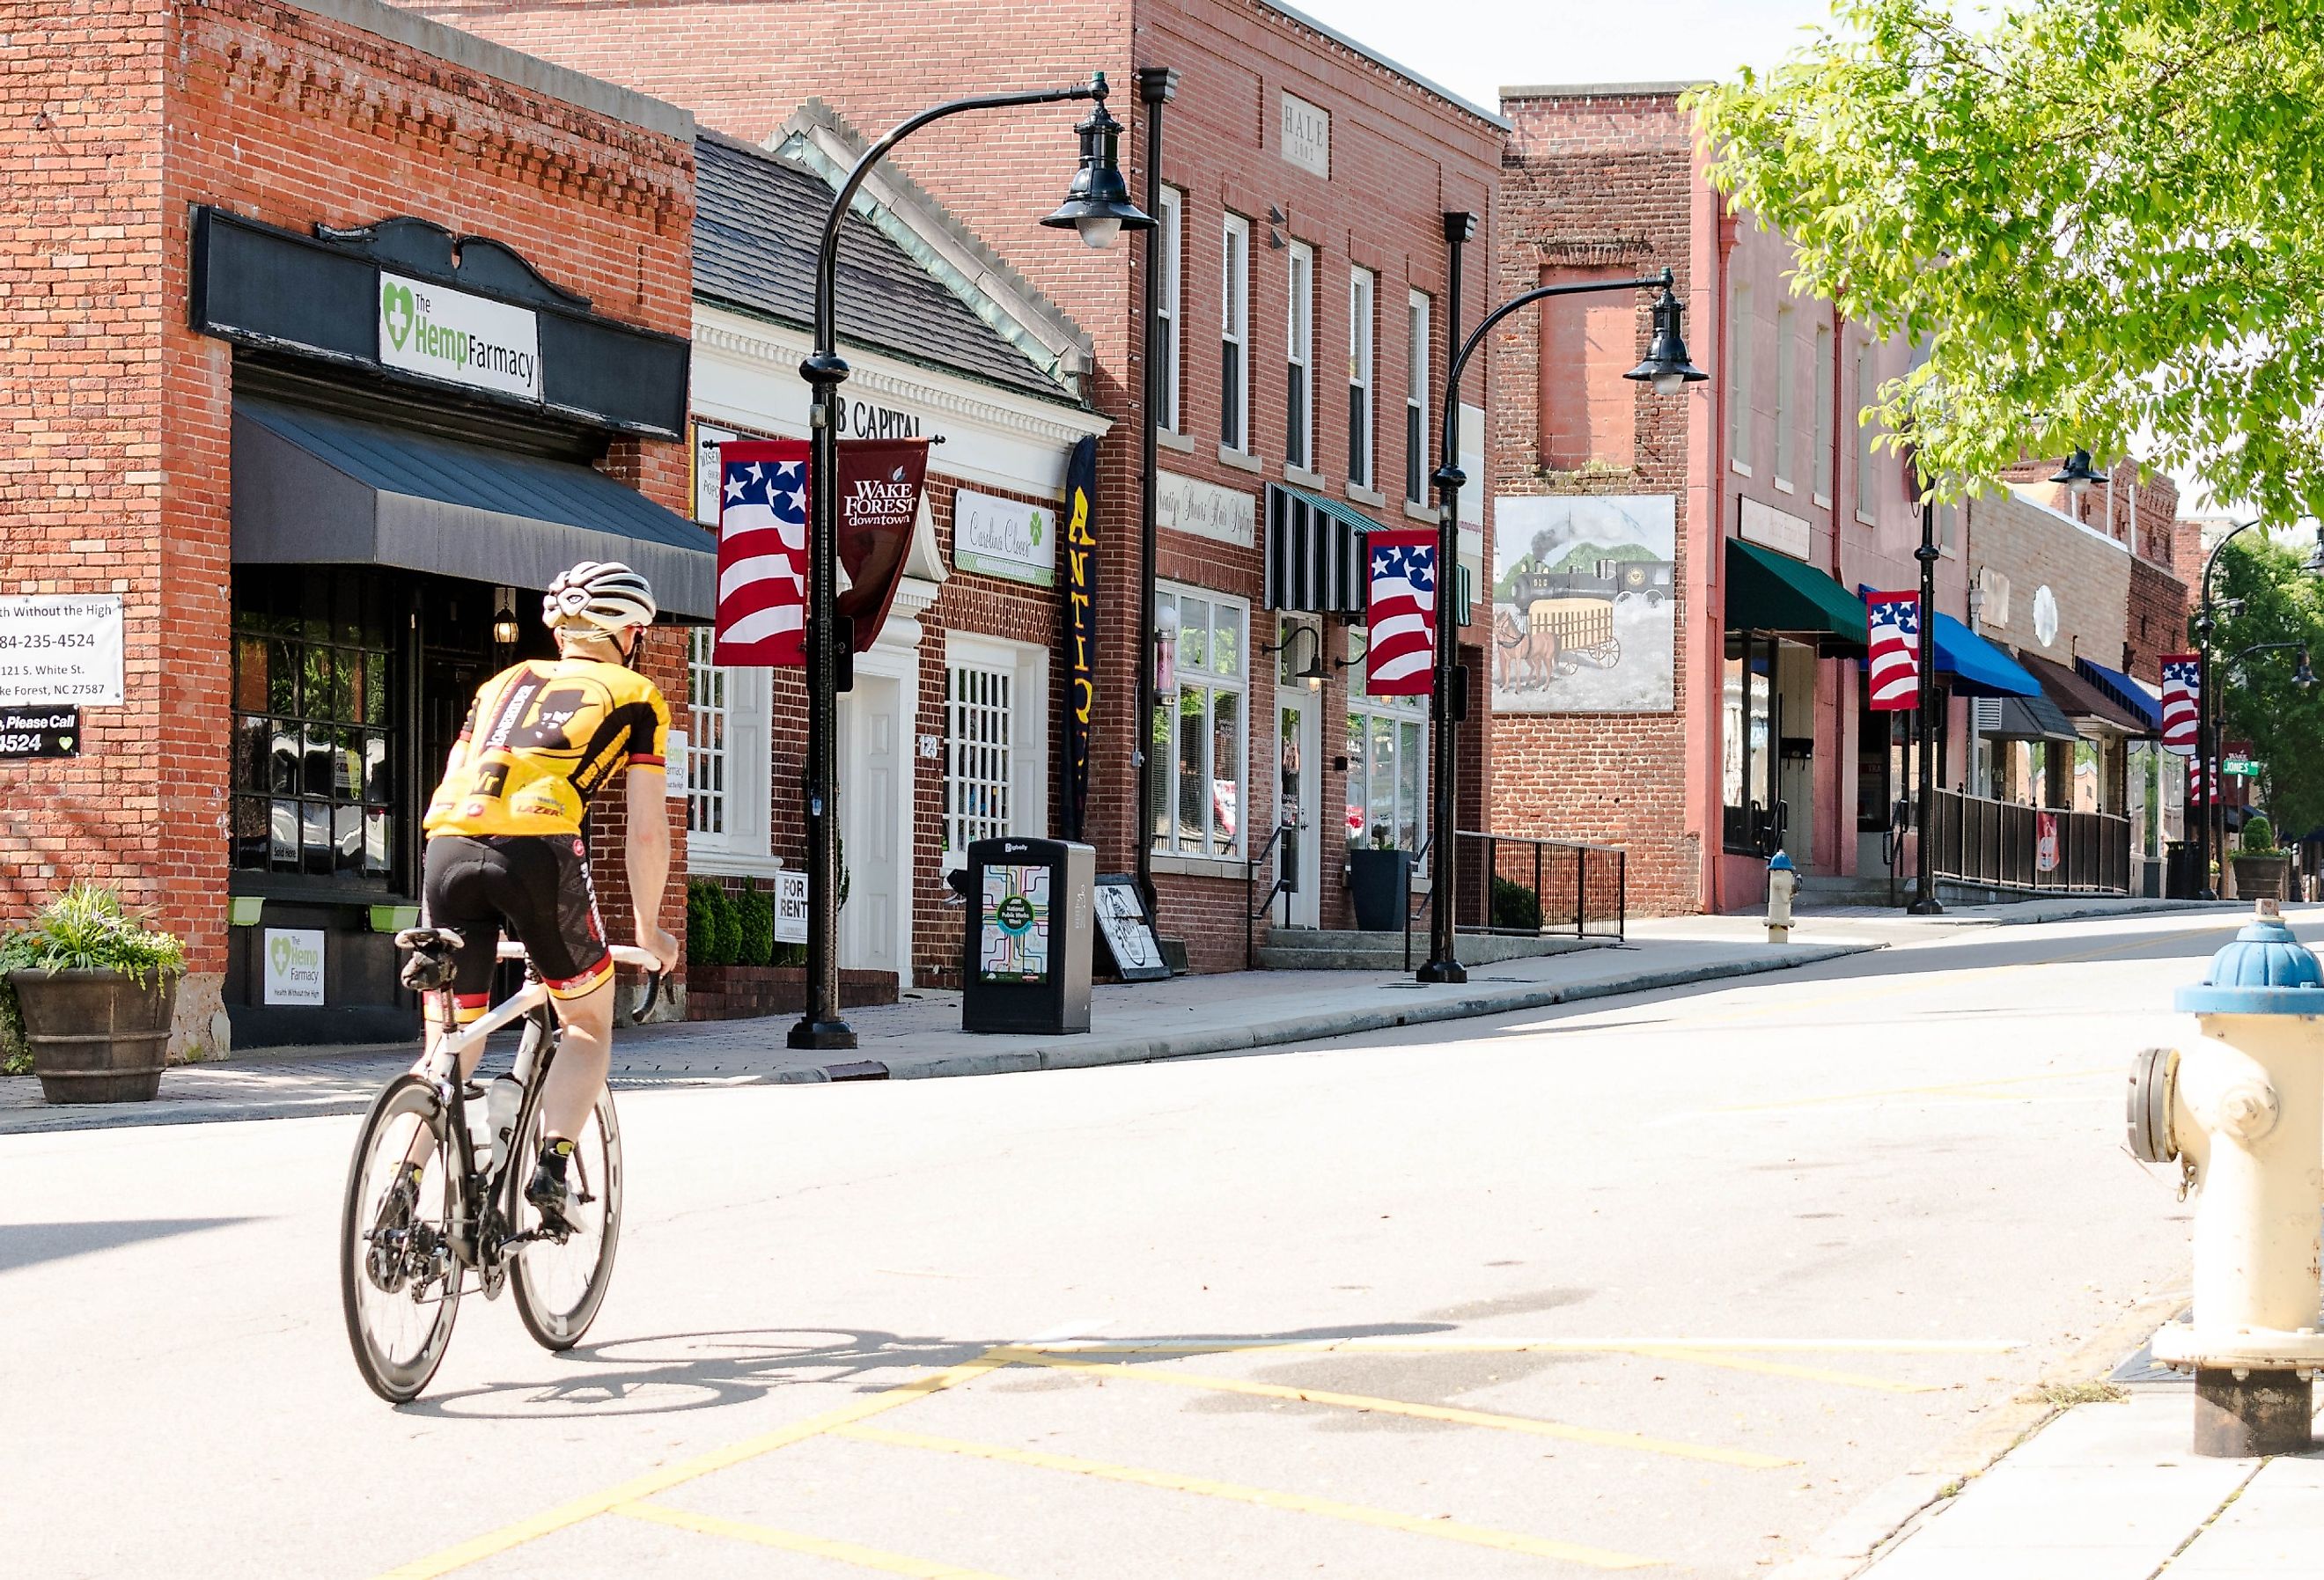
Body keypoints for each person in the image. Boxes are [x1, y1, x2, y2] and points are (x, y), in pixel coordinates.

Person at [414, 561, 680, 1225]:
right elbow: (646, 833)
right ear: (627, 632)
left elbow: (456, 776)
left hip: (445, 847)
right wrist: (648, 930)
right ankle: (552, 1168)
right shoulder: (636, 693)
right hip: (537, 850)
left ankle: (400, 1182)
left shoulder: (500, 684)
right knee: (587, 1021)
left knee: (452, 1042)